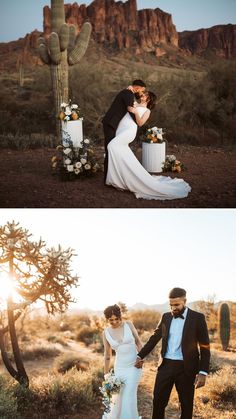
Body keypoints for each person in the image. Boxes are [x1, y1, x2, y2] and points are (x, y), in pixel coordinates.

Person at [135, 288, 211, 419]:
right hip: (165, 366)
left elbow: (205, 347)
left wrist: (203, 372)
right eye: (171, 305)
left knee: (186, 405)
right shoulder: (165, 317)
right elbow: (154, 338)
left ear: (185, 301)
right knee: (158, 402)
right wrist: (139, 355)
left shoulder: (197, 318)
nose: (173, 308)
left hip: (186, 368)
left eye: (177, 304)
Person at [105, 92, 191, 200]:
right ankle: (119, 179)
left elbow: (140, 123)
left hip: (128, 131)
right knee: (122, 153)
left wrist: (135, 112)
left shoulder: (147, 111)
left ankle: (120, 178)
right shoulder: (134, 103)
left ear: (149, 100)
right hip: (120, 129)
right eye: (143, 94)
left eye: (145, 95)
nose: (143, 95)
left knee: (111, 146)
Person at [102, 304, 143, 419]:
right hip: (119, 368)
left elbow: (139, 343)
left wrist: (141, 358)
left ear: (120, 316)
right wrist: (106, 374)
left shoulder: (128, 325)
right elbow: (107, 355)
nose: (114, 322)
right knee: (118, 396)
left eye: (117, 319)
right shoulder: (105, 333)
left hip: (134, 366)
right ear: (107, 319)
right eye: (111, 320)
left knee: (129, 395)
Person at [102, 80, 146, 181]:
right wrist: (138, 122)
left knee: (111, 148)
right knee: (109, 148)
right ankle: (108, 177)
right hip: (110, 123)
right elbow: (131, 110)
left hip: (112, 123)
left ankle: (110, 175)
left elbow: (135, 103)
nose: (141, 93)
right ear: (138, 88)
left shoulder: (128, 93)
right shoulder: (128, 93)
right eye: (142, 91)